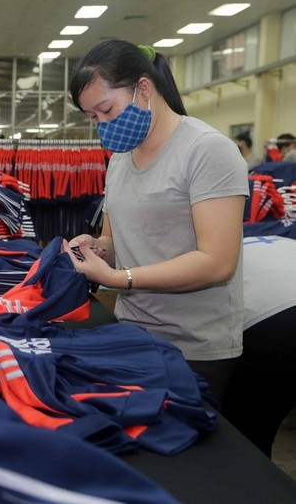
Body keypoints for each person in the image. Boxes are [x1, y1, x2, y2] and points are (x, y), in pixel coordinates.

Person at [65, 40, 248, 403]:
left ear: (143, 89)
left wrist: (120, 280)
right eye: (93, 118)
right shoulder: (120, 159)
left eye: (106, 110)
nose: (102, 125)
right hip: (133, 333)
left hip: (193, 347)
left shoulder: (206, 150)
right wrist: (96, 249)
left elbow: (217, 263)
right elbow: (117, 242)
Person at [221, 235, 296, 457]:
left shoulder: (216, 252)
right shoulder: (279, 240)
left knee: (247, 431)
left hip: (276, 320)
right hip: (277, 313)